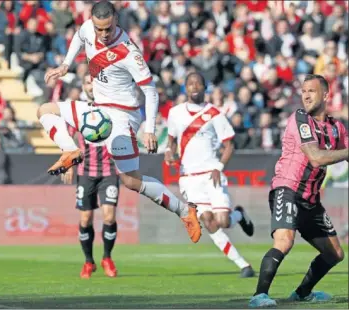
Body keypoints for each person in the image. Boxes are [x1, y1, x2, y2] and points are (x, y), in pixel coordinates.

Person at [37, 1, 201, 243]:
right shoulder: (88, 29)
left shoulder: (129, 52)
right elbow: (79, 37)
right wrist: (65, 65)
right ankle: (70, 149)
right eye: (99, 29)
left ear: (116, 20)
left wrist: (150, 129)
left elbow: (151, 92)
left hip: (123, 116)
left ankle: (185, 211)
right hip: (99, 110)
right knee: (45, 110)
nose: (103, 34)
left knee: (130, 180)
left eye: (108, 29)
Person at [249, 74, 348, 308]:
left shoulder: (337, 128)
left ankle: (302, 293)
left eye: (311, 91)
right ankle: (259, 295)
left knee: (335, 254)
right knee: (284, 241)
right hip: (288, 188)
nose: (305, 95)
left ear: (325, 95)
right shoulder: (300, 118)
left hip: (311, 200)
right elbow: (315, 158)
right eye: (303, 91)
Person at [165, 72, 255, 278]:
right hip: (188, 177)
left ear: (205, 87)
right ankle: (243, 265)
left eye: (198, 83)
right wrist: (169, 153)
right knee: (208, 221)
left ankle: (239, 215)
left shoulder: (215, 114)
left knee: (222, 220)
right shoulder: (175, 113)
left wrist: (220, 167)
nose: (194, 86)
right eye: (190, 83)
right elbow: (171, 140)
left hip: (211, 174)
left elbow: (229, 145)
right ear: (185, 88)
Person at [62, 74, 119, 279]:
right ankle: (88, 262)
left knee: (109, 215)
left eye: (94, 82)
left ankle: (107, 257)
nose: (91, 86)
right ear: (84, 86)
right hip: (85, 171)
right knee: (85, 218)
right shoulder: (77, 111)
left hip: (109, 170)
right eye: (87, 82)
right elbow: (67, 138)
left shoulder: (112, 108)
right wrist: (68, 164)